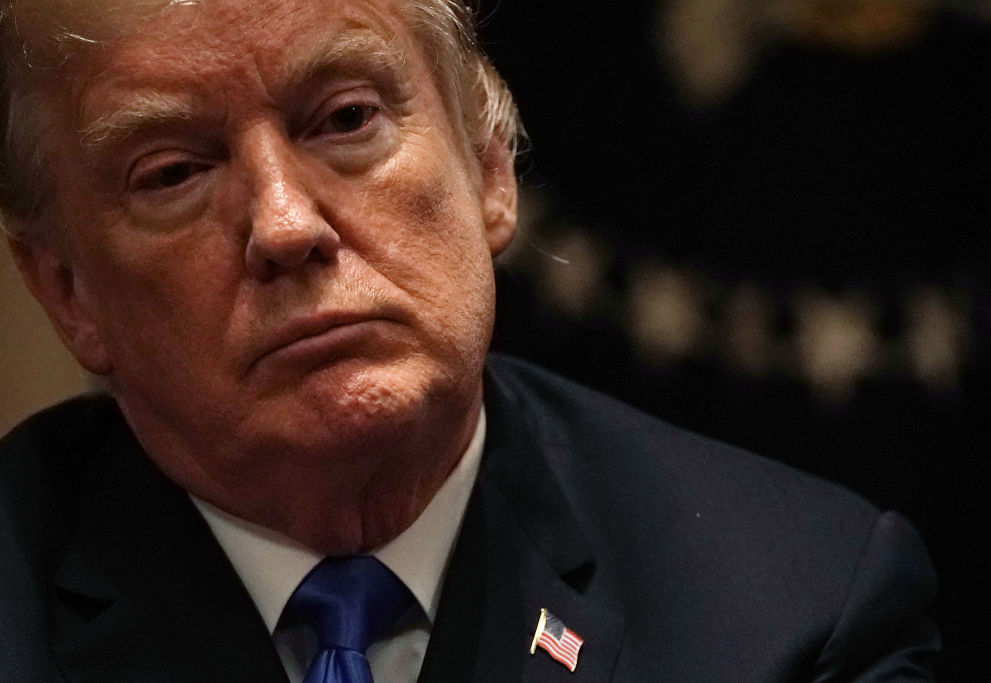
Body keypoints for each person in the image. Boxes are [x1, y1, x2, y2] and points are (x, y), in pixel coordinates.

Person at [0, 0, 938, 680]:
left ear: (490, 164)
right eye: (171, 173)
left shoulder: (799, 608)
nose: (286, 225)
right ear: (65, 287)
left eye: (347, 119)